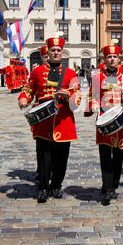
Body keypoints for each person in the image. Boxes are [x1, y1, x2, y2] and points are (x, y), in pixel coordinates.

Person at [18, 36, 82, 203]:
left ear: (62, 53)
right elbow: (28, 89)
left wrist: (70, 95)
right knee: (43, 156)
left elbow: (78, 95)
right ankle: (43, 188)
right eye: (52, 50)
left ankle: (56, 185)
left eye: (58, 50)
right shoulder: (37, 72)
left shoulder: (71, 73)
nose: (55, 53)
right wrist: (24, 98)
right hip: (43, 121)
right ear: (48, 52)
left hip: (63, 120)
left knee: (62, 157)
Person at [84, 41, 123, 206]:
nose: (112, 59)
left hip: (120, 120)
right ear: (104, 60)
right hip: (104, 119)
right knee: (105, 155)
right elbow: (91, 96)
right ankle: (107, 188)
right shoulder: (98, 77)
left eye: (114, 57)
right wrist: (92, 104)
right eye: (109, 57)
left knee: (119, 155)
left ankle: (114, 184)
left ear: (118, 59)